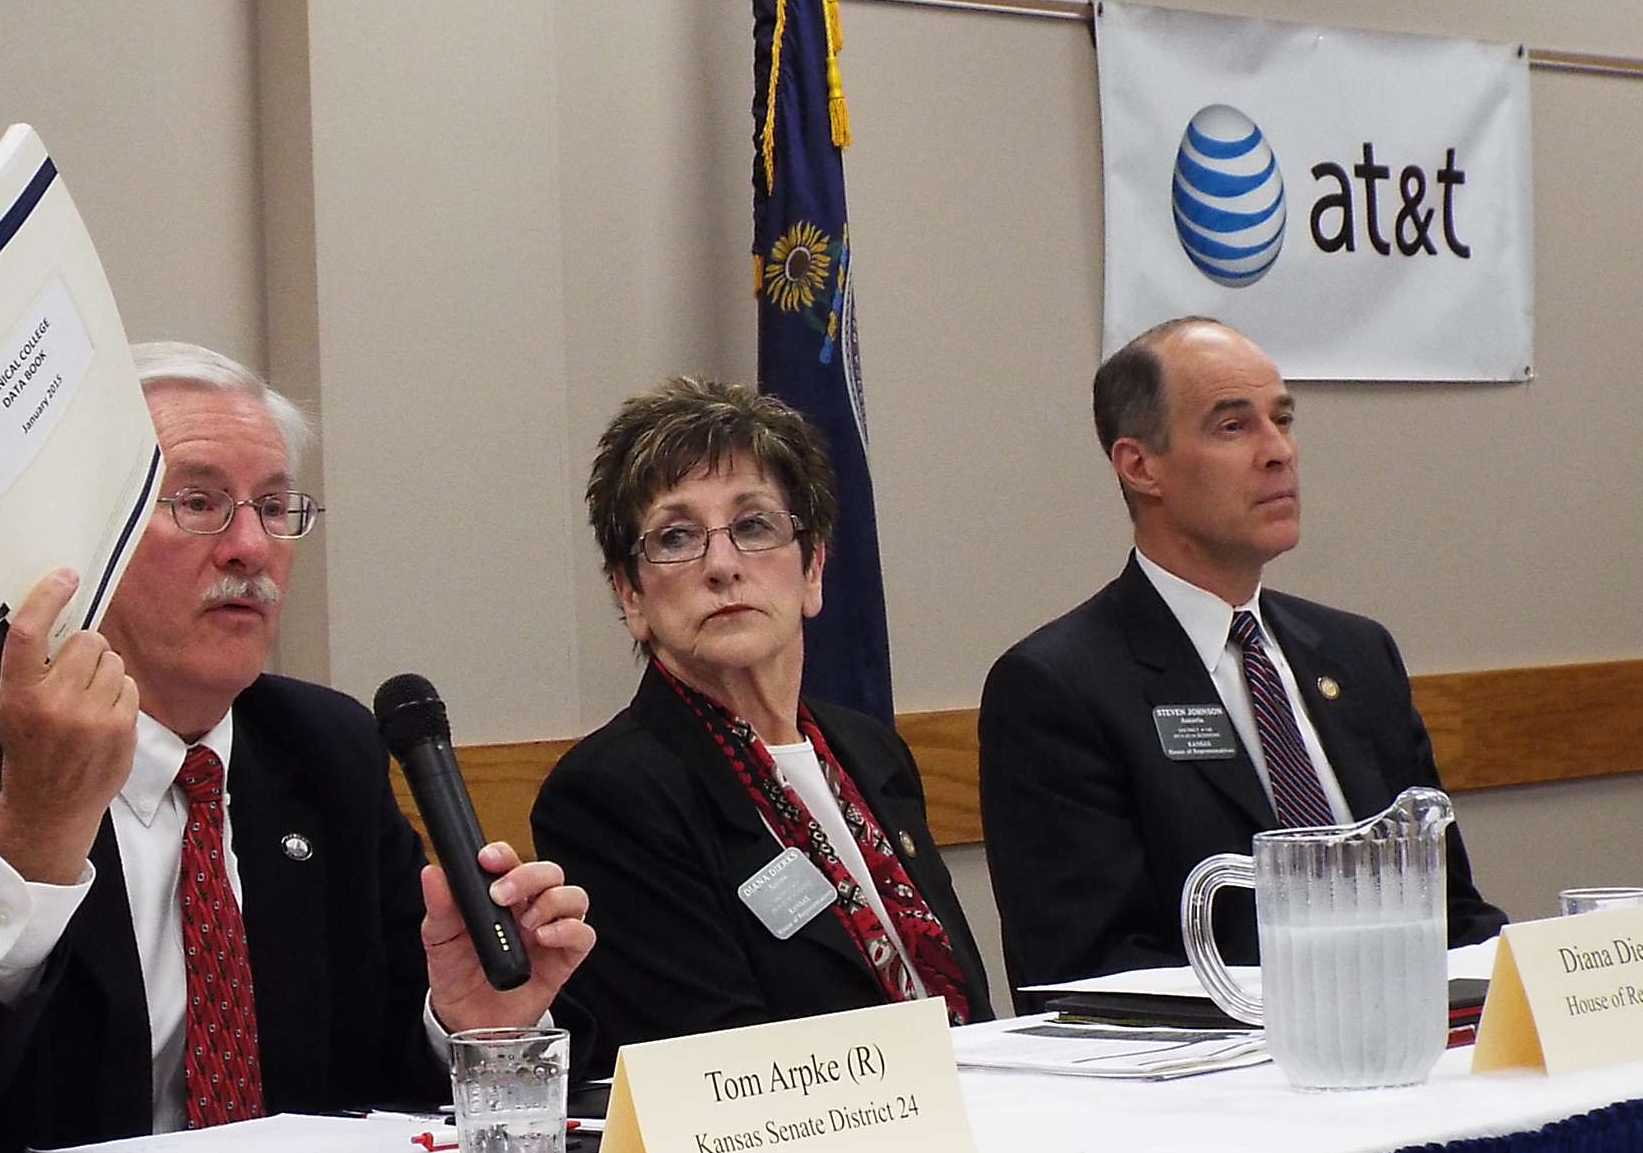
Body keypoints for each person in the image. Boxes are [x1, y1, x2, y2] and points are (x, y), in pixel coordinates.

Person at [0, 342, 593, 1153]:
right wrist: (32, 836)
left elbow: (372, 1095)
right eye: (199, 503)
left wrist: (461, 1024)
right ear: (80, 539)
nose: (250, 547)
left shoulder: (325, 751)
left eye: (273, 508)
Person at [977, 317, 1505, 997]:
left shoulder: (1357, 654)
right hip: (1225, 1057)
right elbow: (1095, 971)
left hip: (1411, 1037)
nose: (1278, 451)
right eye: (1233, 427)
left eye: (1282, 420)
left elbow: (1451, 912)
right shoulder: (1058, 687)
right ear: (1140, 467)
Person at [530, 377, 990, 1070]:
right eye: (676, 536)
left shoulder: (870, 751)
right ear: (632, 596)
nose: (722, 566)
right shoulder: (611, 792)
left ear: (813, 569)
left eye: (753, 526)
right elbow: (719, 1067)